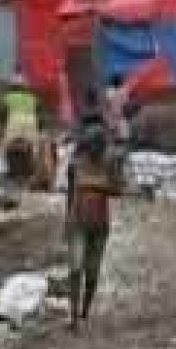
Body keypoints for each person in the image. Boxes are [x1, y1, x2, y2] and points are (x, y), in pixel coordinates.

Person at [65, 120, 124, 330]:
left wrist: (97, 186)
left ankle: (84, 312)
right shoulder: (75, 165)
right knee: (75, 268)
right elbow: (70, 195)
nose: (95, 149)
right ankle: (73, 315)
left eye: (98, 145)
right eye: (93, 145)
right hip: (77, 222)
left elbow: (118, 189)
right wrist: (67, 220)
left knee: (92, 271)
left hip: (100, 225)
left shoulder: (108, 165)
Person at [0, 74, 41, 186]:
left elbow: (2, 114)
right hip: (30, 122)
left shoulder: (7, 97)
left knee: (7, 146)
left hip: (14, 122)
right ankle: (32, 168)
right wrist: (39, 128)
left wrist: (3, 126)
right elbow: (39, 114)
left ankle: (11, 170)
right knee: (34, 147)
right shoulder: (33, 98)